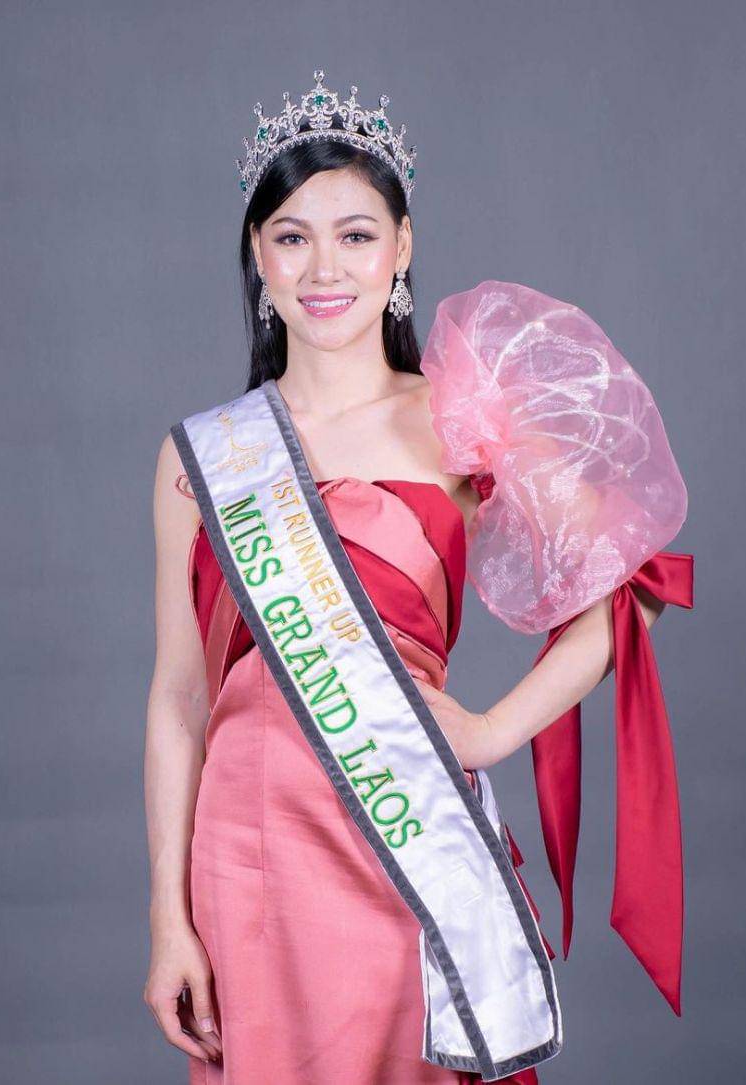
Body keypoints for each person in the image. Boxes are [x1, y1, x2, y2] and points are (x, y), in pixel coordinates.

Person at [142, 70, 693, 1084]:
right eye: (292, 236)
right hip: (246, 853)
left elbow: (640, 582)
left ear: (401, 247)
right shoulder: (199, 458)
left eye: (355, 234)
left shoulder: (457, 425)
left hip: (400, 831)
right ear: (258, 255)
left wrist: (490, 730)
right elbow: (180, 697)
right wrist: (167, 918)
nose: (324, 267)